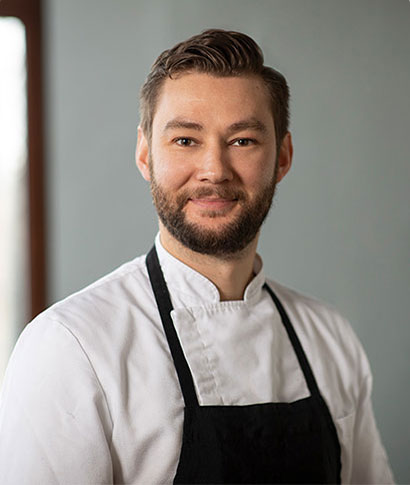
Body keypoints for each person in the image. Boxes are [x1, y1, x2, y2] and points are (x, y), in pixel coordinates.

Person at [0, 29, 394, 484]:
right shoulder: (72, 348)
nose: (214, 171)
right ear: (145, 154)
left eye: (243, 141)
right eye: (186, 140)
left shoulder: (329, 338)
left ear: (282, 157)